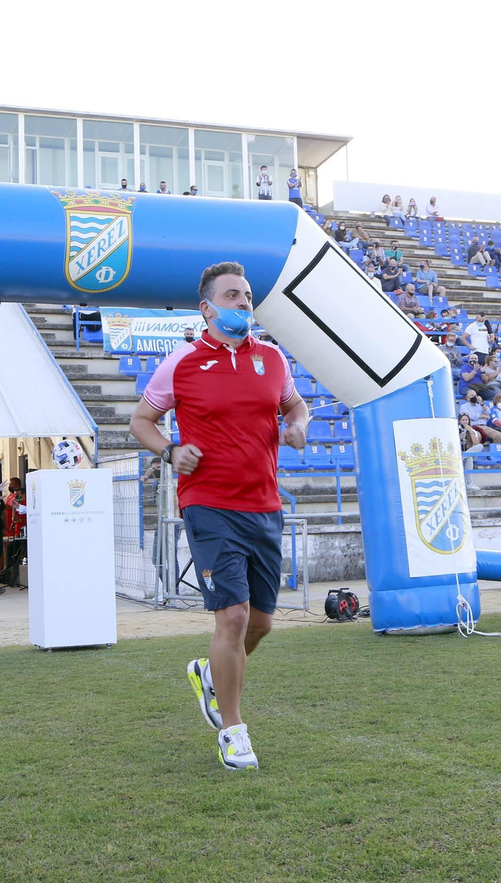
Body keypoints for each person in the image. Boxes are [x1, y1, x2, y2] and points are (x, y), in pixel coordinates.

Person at [128, 260, 308, 772]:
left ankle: (210, 671)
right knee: (231, 616)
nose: (244, 304)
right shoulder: (180, 363)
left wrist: (297, 426)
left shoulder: (273, 359)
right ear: (206, 308)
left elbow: (295, 408)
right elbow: (142, 419)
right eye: (233, 296)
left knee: (262, 623)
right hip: (207, 503)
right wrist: (168, 451)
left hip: (264, 506)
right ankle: (232, 730)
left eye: (248, 296)